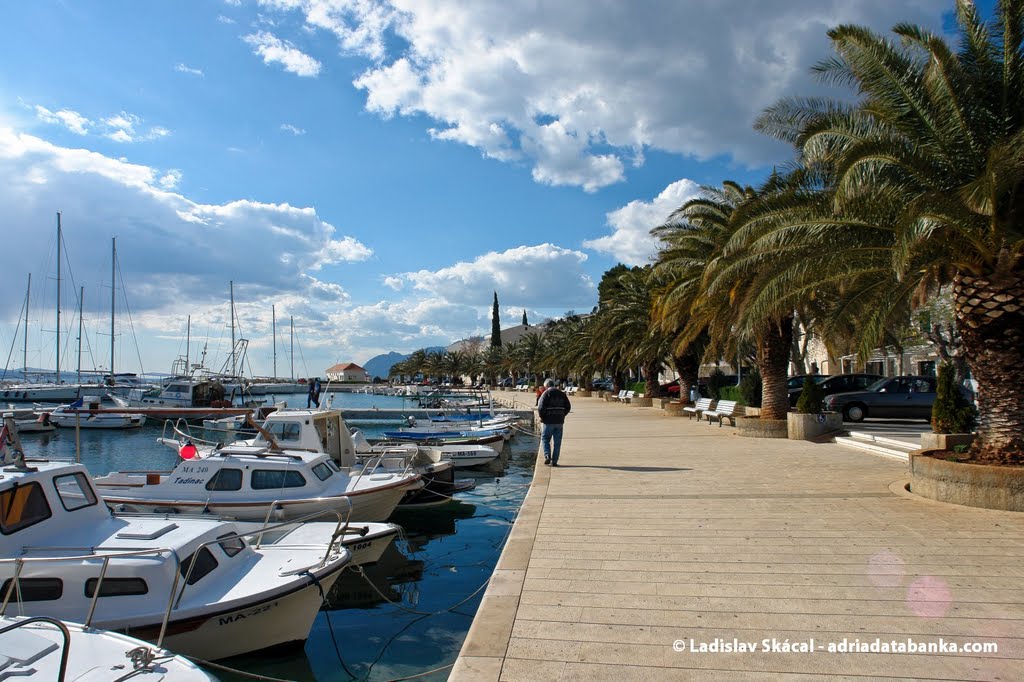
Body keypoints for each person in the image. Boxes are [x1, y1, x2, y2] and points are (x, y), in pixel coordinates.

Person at [537, 378, 571, 466]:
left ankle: (547, 455)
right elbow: (568, 406)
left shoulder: (545, 393)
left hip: (548, 421)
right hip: (559, 422)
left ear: (546, 386)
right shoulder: (562, 394)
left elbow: (540, 407)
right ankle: (555, 462)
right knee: (557, 442)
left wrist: (542, 417)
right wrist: (562, 415)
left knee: (545, 439)